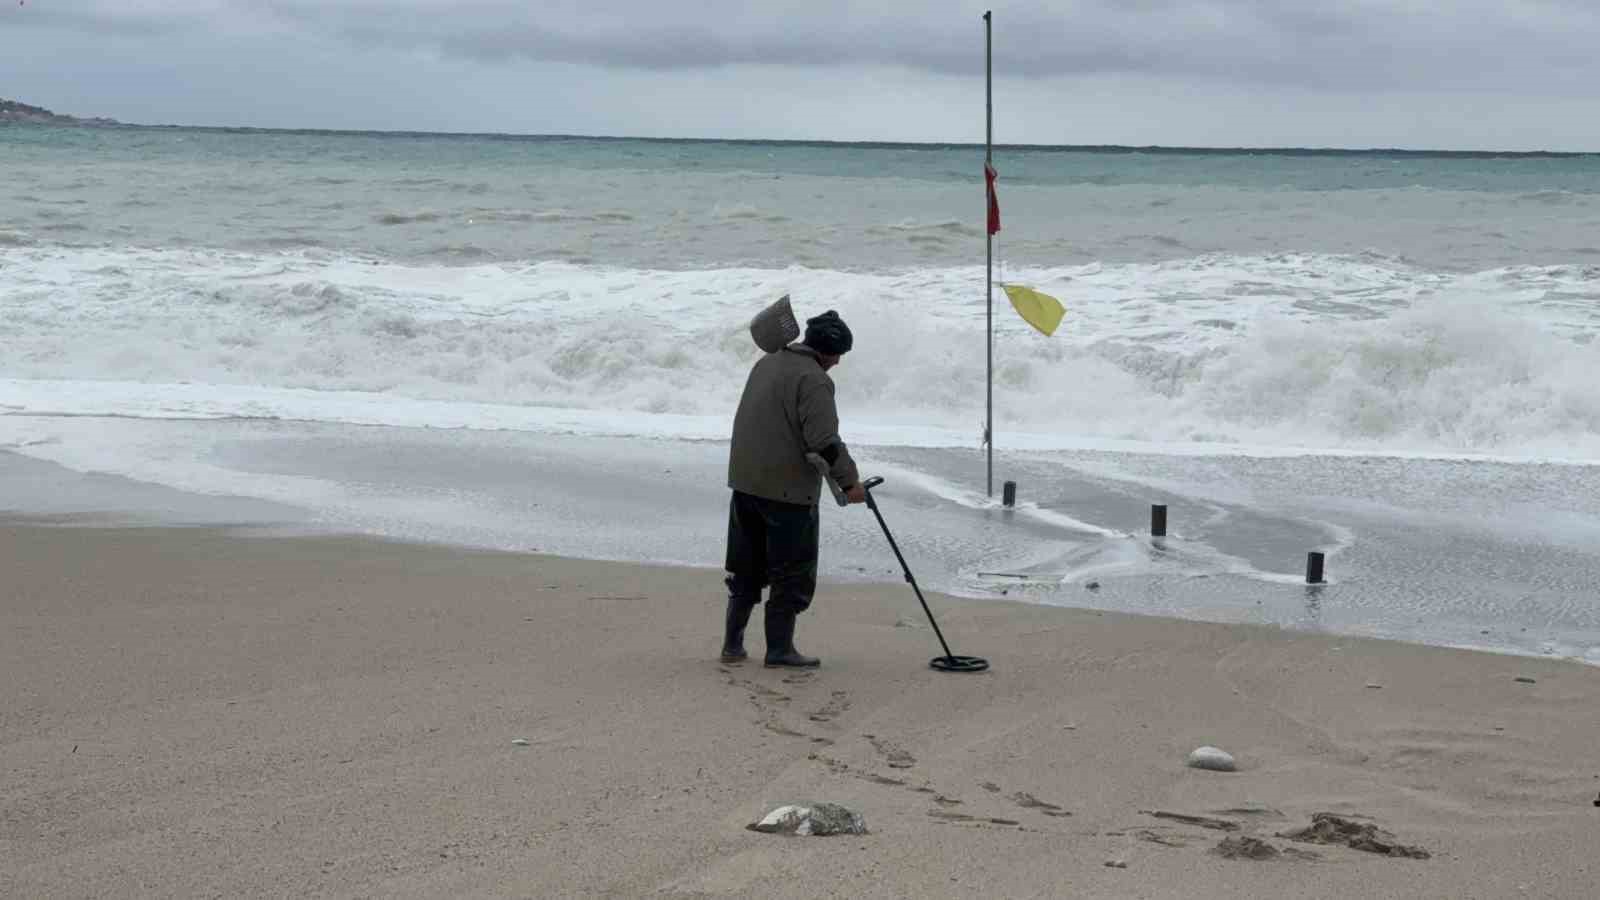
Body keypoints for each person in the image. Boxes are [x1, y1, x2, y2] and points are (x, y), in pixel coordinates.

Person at [722, 310, 865, 668]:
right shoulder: (814, 379)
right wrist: (850, 483)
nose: (836, 364)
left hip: (745, 481)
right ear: (829, 354)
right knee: (791, 574)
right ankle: (779, 650)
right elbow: (824, 442)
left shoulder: (767, 363)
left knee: (746, 569)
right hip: (787, 492)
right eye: (838, 357)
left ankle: (732, 646)